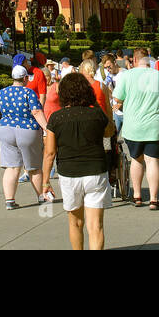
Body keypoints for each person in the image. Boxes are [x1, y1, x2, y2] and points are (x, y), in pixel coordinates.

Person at [41, 73, 113, 250]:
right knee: (96, 226)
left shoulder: (56, 118)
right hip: (96, 171)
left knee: (76, 223)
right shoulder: (96, 114)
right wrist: (99, 104)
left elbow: (50, 153)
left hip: (69, 174)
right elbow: (109, 131)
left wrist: (45, 182)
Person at [111, 47, 159, 209]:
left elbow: (117, 97)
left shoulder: (126, 76)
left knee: (136, 160)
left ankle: (137, 196)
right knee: (152, 161)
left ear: (135, 60)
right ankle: (153, 199)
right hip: (154, 125)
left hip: (133, 125)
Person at [0, 64, 47, 208]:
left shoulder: (1, 92)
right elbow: (36, 112)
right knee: (34, 167)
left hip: (5, 129)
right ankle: (41, 197)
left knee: (11, 167)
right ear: (25, 78)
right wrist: (46, 128)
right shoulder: (29, 93)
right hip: (27, 130)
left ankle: (9, 200)